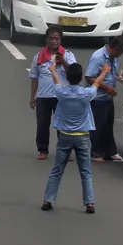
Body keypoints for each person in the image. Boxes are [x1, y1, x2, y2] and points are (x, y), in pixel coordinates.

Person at [42, 60, 110, 213]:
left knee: (57, 170)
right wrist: (104, 71)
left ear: (68, 76)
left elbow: (57, 82)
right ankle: (89, 203)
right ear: (80, 78)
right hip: (83, 136)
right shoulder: (86, 94)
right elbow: (97, 84)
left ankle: (48, 200)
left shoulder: (61, 93)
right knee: (85, 171)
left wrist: (53, 70)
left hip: (65, 135)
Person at [30, 27, 76, 160]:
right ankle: (43, 150)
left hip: (62, 96)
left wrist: (64, 63)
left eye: (57, 39)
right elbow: (34, 77)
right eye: (51, 38)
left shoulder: (68, 55)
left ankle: (65, 152)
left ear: (60, 40)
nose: (54, 41)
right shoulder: (38, 57)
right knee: (42, 124)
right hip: (43, 96)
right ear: (46, 39)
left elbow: (74, 73)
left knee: (63, 125)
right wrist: (32, 97)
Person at [88, 36, 123, 163]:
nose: (121, 54)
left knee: (108, 125)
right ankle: (96, 153)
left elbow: (112, 73)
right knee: (98, 126)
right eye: (121, 51)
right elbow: (89, 77)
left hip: (108, 97)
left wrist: (119, 77)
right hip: (98, 98)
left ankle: (109, 152)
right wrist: (107, 88)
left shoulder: (113, 58)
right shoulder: (98, 57)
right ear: (114, 48)